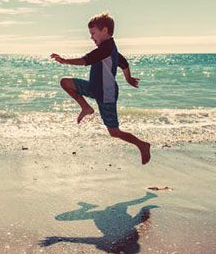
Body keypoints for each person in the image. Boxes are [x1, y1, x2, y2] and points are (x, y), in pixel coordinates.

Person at [50, 13, 151, 164]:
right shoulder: (110, 48)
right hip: (94, 87)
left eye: (93, 33)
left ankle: (142, 145)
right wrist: (128, 78)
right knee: (65, 82)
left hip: (106, 94)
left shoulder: (106, 48)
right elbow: (124, 63)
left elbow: (85, 60)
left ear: (104, 31)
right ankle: (86, 108)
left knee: (114, 132)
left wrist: (64, 60)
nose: (91, 37)